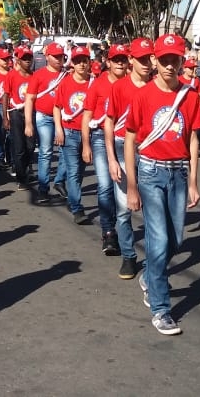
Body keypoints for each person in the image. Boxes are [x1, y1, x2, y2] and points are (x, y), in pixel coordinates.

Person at [125, 34, 200, 336]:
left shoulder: (190, 96)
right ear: (154, 61)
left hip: (179, 173)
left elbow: (193, 139)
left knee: (176, 240)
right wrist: (132, 185)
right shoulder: (143, 96)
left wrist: (193, 181)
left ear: (182, 61)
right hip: (150, 172)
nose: (170, 65)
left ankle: (149, 275)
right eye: (165, 59)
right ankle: (161, 309)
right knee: (157, 241)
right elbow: (130, 138)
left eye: (175, 59)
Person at [105, 37, 153, 280]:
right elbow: (109, 122)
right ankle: (128, 255)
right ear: (131, 60)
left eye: (149, 59)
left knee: (153, 209)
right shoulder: (119, 87)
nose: (146, 64)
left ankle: (155, 260)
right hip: (123, 147)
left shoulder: (157, 86)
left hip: (150, 150)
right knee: (124, 208)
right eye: (141, 59)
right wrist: (112, 159)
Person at [82, 43, 129, 254]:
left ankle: (124, 228)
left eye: (123, 59)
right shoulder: (98, 84)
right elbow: (87, 116)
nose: (120, 63)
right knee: (105, 185)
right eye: (116, 59)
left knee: (125, 188)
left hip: (126, 139)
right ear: (108, 62)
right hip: (101, 138)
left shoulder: (133, 83)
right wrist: (86, 144)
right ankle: (108, 231)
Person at [54, 46, 93, 223]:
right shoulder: (65, 83)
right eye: (78, 61)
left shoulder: (94, 83)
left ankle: (72, 199)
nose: (81, 65)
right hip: (69, 132)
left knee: (80, 171)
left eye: (84, 61)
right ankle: (77, 209)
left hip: (88, 134)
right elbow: (57, 107)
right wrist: (59, 129)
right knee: (73, 171)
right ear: (72, 64)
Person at [25, 42, 68, 201]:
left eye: (61, 56)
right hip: (43, 117)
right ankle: (43, 188)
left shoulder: (67, 75)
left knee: (65, 150)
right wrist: (28, 123)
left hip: (63, 118)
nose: (58, 59)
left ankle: (59, 181)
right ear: (47, 57)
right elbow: (29, 99)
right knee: (46, 151)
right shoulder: (38, 75)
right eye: (55, 56)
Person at [3, 45, 34, 188]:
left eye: (29, 58)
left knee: (30, 146)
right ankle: (21, 178)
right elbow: (6, 95)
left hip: (31, 114)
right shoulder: (12, 75)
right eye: (24, 58)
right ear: (18, 61)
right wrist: (5, 116)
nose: (27, 61)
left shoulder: (34, 76)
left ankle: (24, 168)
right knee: (19, 147)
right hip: (15, 113)